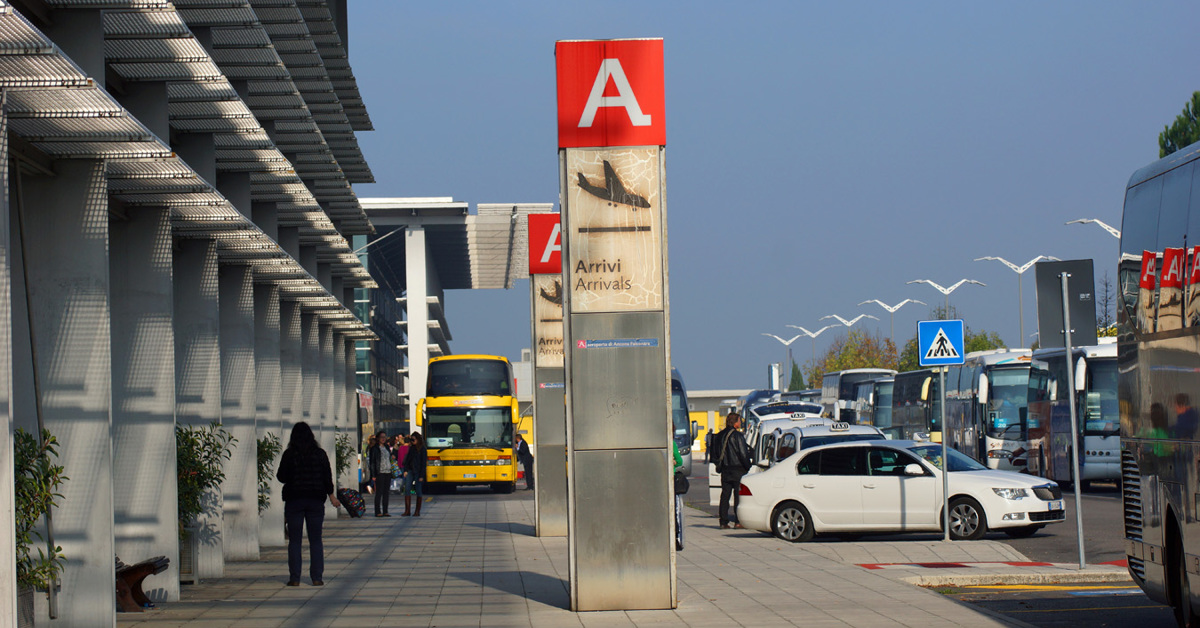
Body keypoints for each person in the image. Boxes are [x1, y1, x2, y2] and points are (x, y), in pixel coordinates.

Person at [275, 421, 339, 587]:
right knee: (315, 540)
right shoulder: (320, 454)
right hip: (316, 500)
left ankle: (295, 578)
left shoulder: (289, 455)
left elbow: (281, 477)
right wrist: (331, 495)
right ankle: (317, 577)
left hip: (294, 499)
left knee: (295, 541)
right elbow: (327, 477)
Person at [711, 411, 751, 529]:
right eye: (739, 420)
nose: (740, 422)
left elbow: (714, 454)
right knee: (738, 496)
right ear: (735, 422)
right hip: (738, 469)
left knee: (725, 496)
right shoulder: (738, 436)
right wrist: (748, 466)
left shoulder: (719, 436)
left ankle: (723, 522)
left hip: (725, 469)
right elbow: (743, 454)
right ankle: (738, 521)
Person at [402, 432, 428, 516]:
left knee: (418, 490)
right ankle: (407, 510)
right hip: (410, 470)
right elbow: (407, 460)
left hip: (418, 471)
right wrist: (405, 470)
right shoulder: (411, 448)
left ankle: (417, 511)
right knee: (407, 489)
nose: (412, 441)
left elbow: (423, 463)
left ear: (418, 439)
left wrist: (421, 475)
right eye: (411, 440)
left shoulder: (422, 449)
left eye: (413, 440)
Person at [368, 430, 392, 517]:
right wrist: (373, 475)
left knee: (386, 492)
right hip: (380, 472)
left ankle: (385, 511)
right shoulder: (374, 449)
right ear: (378, 438)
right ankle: (377, 511)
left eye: (385, 437)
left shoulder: (386, 447)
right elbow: (372, 463)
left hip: (388, 472)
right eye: (382, 437)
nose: (383, 439)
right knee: (379, 492)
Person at [673, 440, 685, 550]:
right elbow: (679, 461)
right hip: (669, 479)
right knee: (674, 510)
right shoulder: (671, 443)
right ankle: (675, 538)